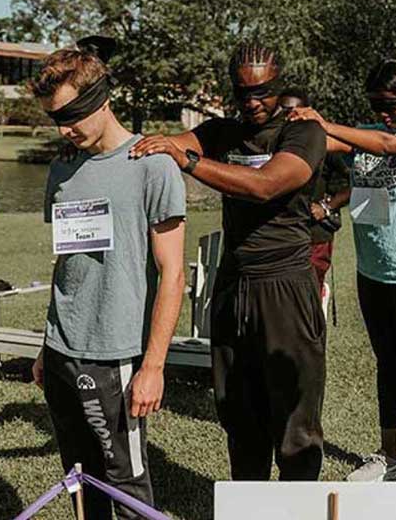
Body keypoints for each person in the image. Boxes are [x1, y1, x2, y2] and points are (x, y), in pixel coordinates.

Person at [130, 42, 328, 481]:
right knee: (239, 415)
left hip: (285, 285)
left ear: (280, 86)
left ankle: (296, 512)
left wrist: (188, 160)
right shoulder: (222, 132)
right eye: (243, 93)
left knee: (295, 421)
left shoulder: (303, 133)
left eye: (263, 92)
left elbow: (266, 185)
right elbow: (152, 147)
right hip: (233, 284)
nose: (253, 102)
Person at [28, 41, 187, 520]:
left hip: (113, 356)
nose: (65, 127)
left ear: (101, 98)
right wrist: (46, 344)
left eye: (72, 114)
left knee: (126, 484)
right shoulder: (63, 167)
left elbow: (173, 272)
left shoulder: (152, 164)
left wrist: (153, 365)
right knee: (81, 480)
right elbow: (69, 264)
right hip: (61, 351)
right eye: (55, 118)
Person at [289, 59, 396, 487]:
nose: (381, 111)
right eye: (374, 103)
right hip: (375, 268)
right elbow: (358, 167)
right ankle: (389, 455)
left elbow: (386, 145)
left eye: (388, 103)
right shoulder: (368, 134)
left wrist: (327, 124)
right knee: (387, 364)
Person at [278, 88, 350, 314]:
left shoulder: (325, 145)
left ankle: (317, 304)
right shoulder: (275, 142)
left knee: (308, 296)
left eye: (295, 111)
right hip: (282, 231)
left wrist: (327, 206)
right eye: (284, 111)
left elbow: (356, 180)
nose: (290, 117)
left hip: (315, 234)